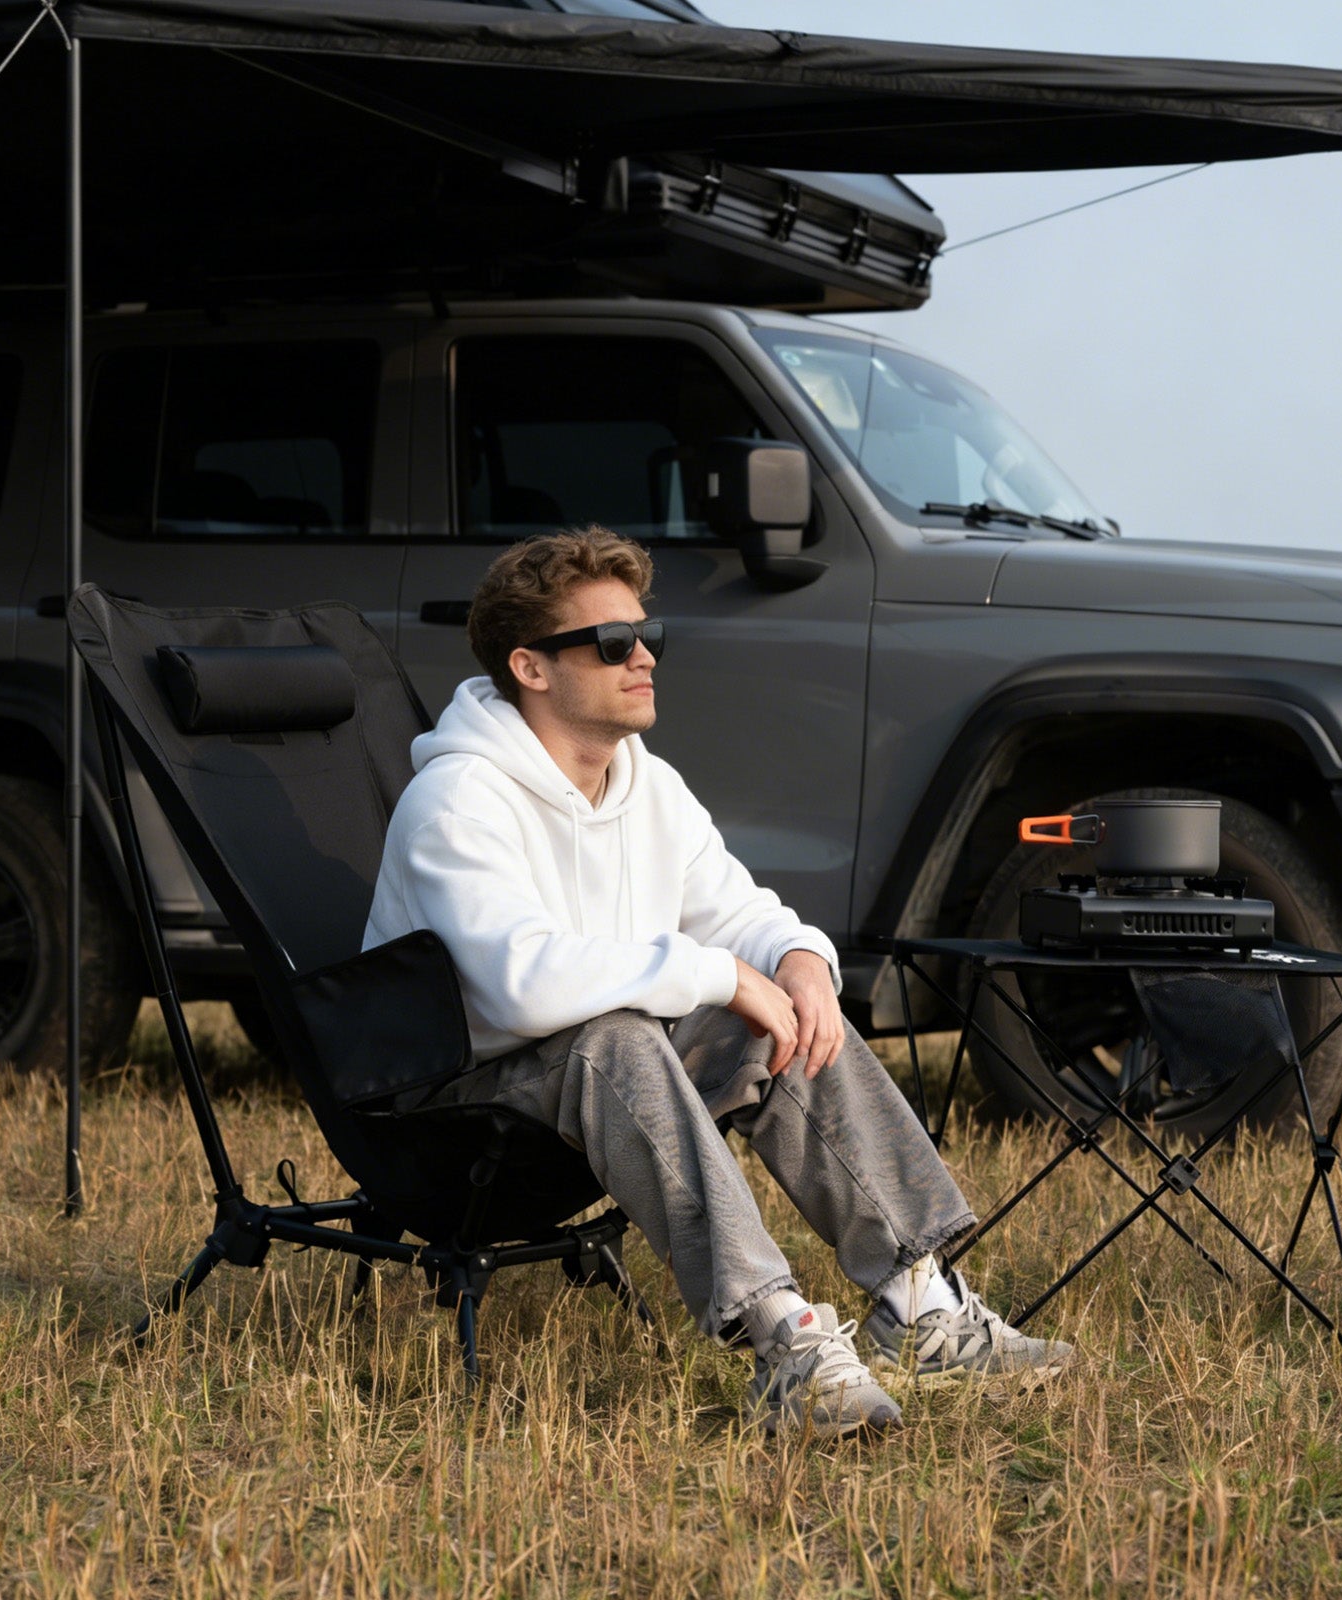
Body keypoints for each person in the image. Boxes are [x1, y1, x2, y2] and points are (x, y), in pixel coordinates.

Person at [364, 526, 1072, 1434]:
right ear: (531, 668)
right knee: (620, 1035)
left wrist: (797, 961)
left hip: (580, 1080)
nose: (645, 656)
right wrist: (715, 973)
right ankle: (787, 1345)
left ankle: (919, 1304)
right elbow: (518, 988)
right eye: (613, 643)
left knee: (771, 1016)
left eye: (647, 634)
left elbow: (741, 911)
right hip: (454, 1101)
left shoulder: (644, 786)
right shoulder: (457, 800)